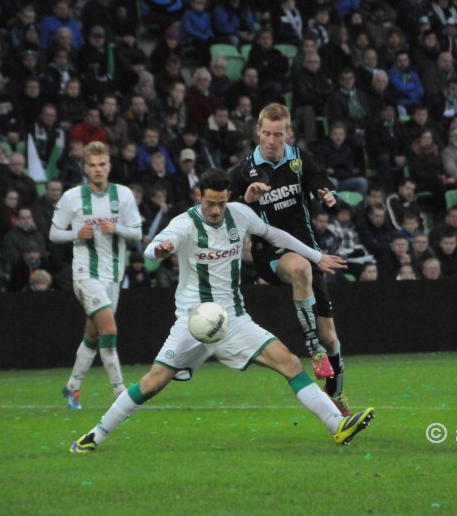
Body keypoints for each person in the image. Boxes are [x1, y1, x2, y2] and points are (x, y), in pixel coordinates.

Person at [69, 168, 374, 453]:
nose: (216, 210)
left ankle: (338, 425)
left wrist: (314, 255)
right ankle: (95, 434)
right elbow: (157, 244)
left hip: (233, 319)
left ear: (229, 197)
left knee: (291, 363)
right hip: (193, 322)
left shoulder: (239, 215)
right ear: (198, 194)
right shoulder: (184, 224)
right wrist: (158, 250)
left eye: (222, 203)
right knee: (153, 383)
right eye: (210, 203)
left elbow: (275, 235)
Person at [230, 103, 350, 414]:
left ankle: (336, 392)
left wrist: (328, 196)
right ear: (258, 131)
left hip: (309, 250)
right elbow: (226, 215)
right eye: (266, 134)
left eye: (278, 135)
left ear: (288, 134)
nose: (271, 140)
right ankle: (313, 350)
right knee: (298, 269)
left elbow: (323, 189)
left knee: (331, 338)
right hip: (270, 253)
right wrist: (246, 199)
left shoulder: (300, 160)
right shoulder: (243, 172)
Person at [50, 141, 142, 409]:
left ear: (109, 166)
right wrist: (75, 234)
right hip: (85, 273)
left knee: (92, 336)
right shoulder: (71, 198)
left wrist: (117, 228)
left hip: (113, 274)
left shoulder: (123, 195)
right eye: (92, 165)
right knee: (109, 329)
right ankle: (120, 392)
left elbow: (136, 233)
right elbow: (54, 234)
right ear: (85, 168)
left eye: (102, 164)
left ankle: (71, 387)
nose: (98, 169)